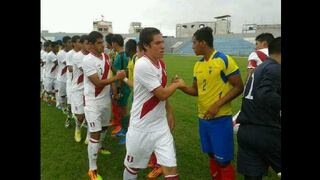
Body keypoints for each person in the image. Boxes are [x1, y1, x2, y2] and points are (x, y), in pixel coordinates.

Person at [175, 27, 244, 179]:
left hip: (220, 119)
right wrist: (181, 86)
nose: (192, 46)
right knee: (211, 155)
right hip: (203, 119)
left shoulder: (223, 60)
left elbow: (239, 86)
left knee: (224, 161)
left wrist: (217, 105)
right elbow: (196, 91)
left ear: (203, 43)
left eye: (194, 43)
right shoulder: (198, 65)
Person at [123, 27, 183, 180]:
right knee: (132, 169)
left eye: (162, 42)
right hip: (141, 127)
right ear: (146, 46)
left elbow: (162, 92)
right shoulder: (143, 65)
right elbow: (162, 94)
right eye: (157, 43)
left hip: (160, 127)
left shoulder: (161, 64)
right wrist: (177, 84)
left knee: (171, 170)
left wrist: (169, 112)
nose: (162, 46)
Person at [82, 31, 126, 180]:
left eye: (103, 42)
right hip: (92, 101)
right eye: (100, 43)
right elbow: (98, 82)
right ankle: (92, 168)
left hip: (105, 100)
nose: (103, 45)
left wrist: (115, 90)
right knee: (95, 132)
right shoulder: (87, 60)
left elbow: (112, 74)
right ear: (92, 44)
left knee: (105, 127)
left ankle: (99, 147)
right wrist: (117, 77)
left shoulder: (106, 57)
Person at [236, 37, 281, 180]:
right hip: (266, 132)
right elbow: (264, 94)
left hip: (246, 131)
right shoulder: (275, 68)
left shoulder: (260, 68)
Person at [233, 33, 274, 132]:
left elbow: (250, 73)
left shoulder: (256, 54)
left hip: (255, 95)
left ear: (264, 44)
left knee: (234, 124)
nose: (255, 47)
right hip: (273, 94)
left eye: (257, 44)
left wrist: (245, 90)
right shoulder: (277, 54)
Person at [111, 34, 131, 144]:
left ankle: (127, 133)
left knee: (123, 111)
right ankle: (124, 130)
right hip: (126, 86)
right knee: (123, 110)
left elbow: (119, 75)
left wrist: (117, 91)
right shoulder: (126, 55)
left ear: (114, 43)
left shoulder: (120, 56)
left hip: (122, 87)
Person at [105, 33, 122, 136]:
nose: (105, 45)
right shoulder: (112, 52)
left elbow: (119, 71)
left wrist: (110, 66)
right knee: (114, 102)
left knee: (118, 103)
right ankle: (116, 121)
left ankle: (120, 125)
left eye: (106, 42)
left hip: (116, 82)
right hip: (112, 81)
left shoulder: (117, 54)